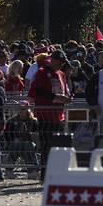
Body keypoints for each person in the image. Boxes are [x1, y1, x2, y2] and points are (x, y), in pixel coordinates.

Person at [28, 50, 70, 181]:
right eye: (60, 61)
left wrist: (67, 97)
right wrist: (55, 97)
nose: (61, 64)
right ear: (53, 60)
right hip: (45, 115)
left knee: (58, 146)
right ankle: (45, 174)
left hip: (59, 115)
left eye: (63, 62)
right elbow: (37, 91)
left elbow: (66, 90)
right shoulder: (41, 73)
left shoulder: (61, 74)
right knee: (47, 146)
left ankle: (56, 172)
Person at [4, 106, 39, 179]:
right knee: (16, 144)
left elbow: (37, 136)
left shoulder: (34, 121)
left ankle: (32, 171)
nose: (21, 111)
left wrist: (30, 136)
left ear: (27, 110)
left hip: (29, 143)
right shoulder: (11, 121)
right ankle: (9, 170)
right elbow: (7, 135)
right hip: (15, 144)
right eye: (19, 109)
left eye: (23, 109)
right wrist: (14, 140)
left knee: (28, 145)